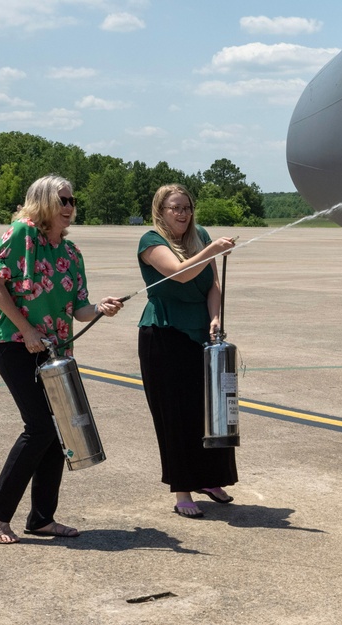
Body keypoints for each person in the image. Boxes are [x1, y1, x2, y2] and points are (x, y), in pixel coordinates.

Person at [0, 174, 125, 544]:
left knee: (57, 428)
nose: (70, 207)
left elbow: (79, 310)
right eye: (63, 200)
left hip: (54, 350)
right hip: (15, 343)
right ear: (42, 201)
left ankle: (42, 517)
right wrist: (26, 329)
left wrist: (101, 308)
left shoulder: (72, 254)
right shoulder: (22, 234)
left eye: (72, 201)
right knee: (39, 426)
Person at [137, 184, 239, 518]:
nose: (183, 214)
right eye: (175, 208)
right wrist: (211, 250)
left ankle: (210, 479)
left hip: (201, 334)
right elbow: (180, 273)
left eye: (187, 208)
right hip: (165, 334)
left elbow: (212, 284)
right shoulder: (151, 242)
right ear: (160, 211)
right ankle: (182, 489)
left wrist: (215, 317)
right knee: (175, 416)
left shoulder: (200, 237)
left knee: (209, 411)